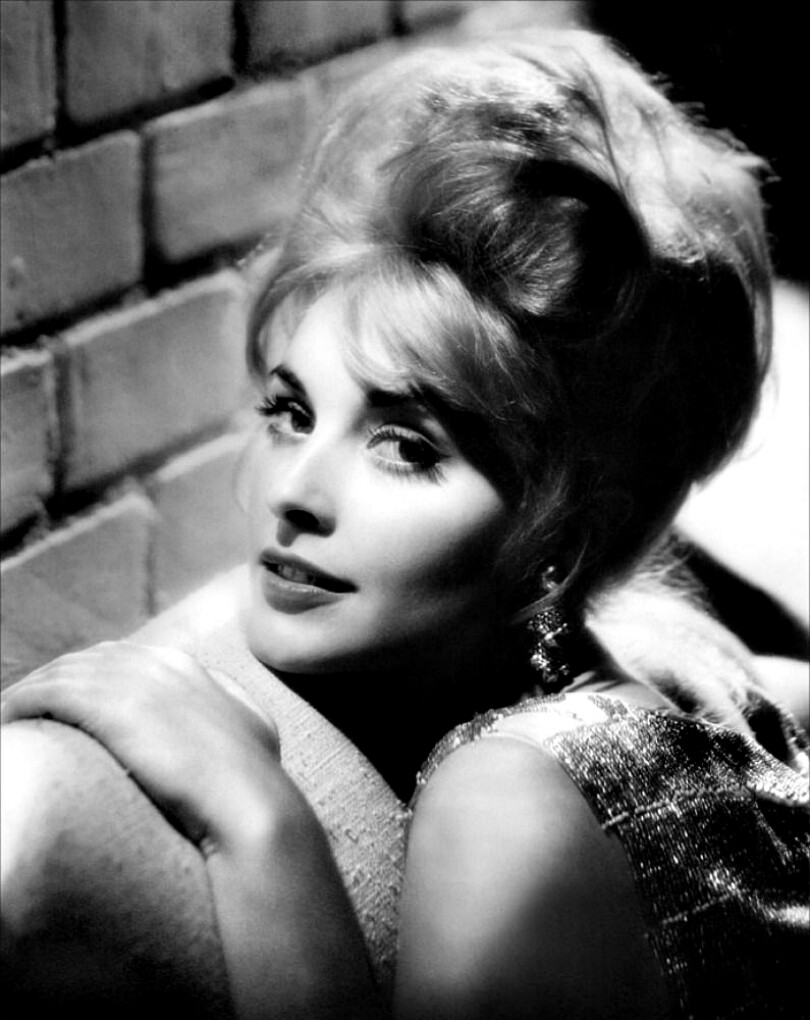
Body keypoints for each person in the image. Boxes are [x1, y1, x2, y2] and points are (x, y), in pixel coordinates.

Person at [2, 28, 807, 1020]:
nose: (295, 493)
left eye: (406, 447)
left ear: (561, 538)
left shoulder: (509, 806)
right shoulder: (677, 663)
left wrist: (257, 824)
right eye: (291, 413)